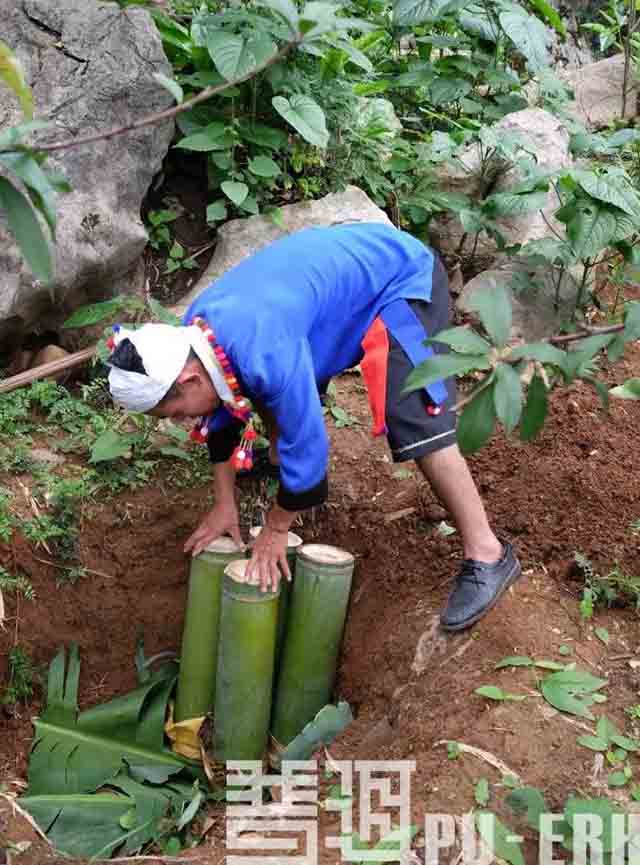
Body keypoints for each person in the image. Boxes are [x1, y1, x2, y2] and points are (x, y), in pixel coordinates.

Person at [107, 222, 520, 631]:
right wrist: (223, 502)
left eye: (174, 413)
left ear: (188, 380)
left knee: (410, 412)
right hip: (331, 291)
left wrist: (275, 527)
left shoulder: (264, 350)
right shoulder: (197, 335)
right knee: (257, 385)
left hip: (398, 278)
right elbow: (223, 407)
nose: (181, 423)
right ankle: (274, 460)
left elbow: (310, 455)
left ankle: (487, 552)